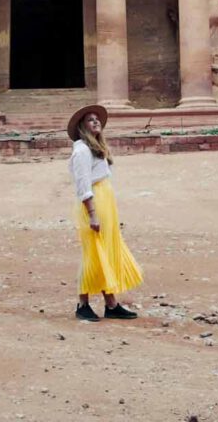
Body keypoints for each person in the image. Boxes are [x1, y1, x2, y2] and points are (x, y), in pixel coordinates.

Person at [67, 105, 143, 321]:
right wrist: (92, 213)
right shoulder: (81, 150)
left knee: (104, 252)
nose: (95, 122)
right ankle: (83, 304)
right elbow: (83, 184)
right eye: (90, 120)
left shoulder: (94, 148)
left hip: (105, 201)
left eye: (96, 119)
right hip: (94, 203)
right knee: (93, 253)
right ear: (82, 127)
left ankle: (111, 304)